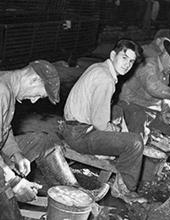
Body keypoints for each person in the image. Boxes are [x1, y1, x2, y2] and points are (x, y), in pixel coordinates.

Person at [0, 60, 109, 220]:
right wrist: (15, 182)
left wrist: (16, 153)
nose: (34, 100)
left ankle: (76, 192)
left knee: (44, 141)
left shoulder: (8, 88)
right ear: (34, 80)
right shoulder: (1, 93)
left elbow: (5, 129)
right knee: (9, 204)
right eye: (39, 95)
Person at [60, 39, 147, 204]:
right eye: (124, 58)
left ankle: (115, 151)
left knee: (118, 109)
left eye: (131, 61)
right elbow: (100, 124)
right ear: (113, 54)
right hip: (79, 135)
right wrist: (116, 130)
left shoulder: (99, 67)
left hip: (72, 126)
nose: (127, 65)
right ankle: (125, 189)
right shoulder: (106, 79)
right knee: (135, 143)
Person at [117, 36, 170, 150]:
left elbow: (162, 95)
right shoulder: (148, 65)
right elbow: (153, 87)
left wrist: (165, 110)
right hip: (129, 107)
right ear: (166, 54)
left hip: (149, 111)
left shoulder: (165, 72)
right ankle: (135, 152)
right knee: (139, 119)